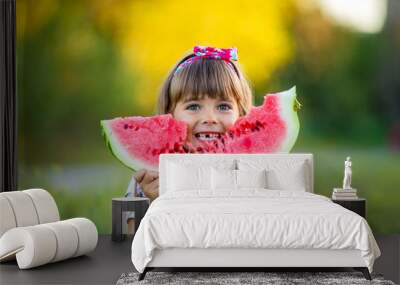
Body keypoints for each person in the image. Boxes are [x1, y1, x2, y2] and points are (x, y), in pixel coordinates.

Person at [125, 45, 253, 202]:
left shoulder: (252, 170)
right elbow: (128, 227)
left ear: (241, 114)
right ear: (170, 115)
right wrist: (153, 202)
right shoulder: (151, 176)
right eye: (193, 106)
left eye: (223, 106)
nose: (210, 118)